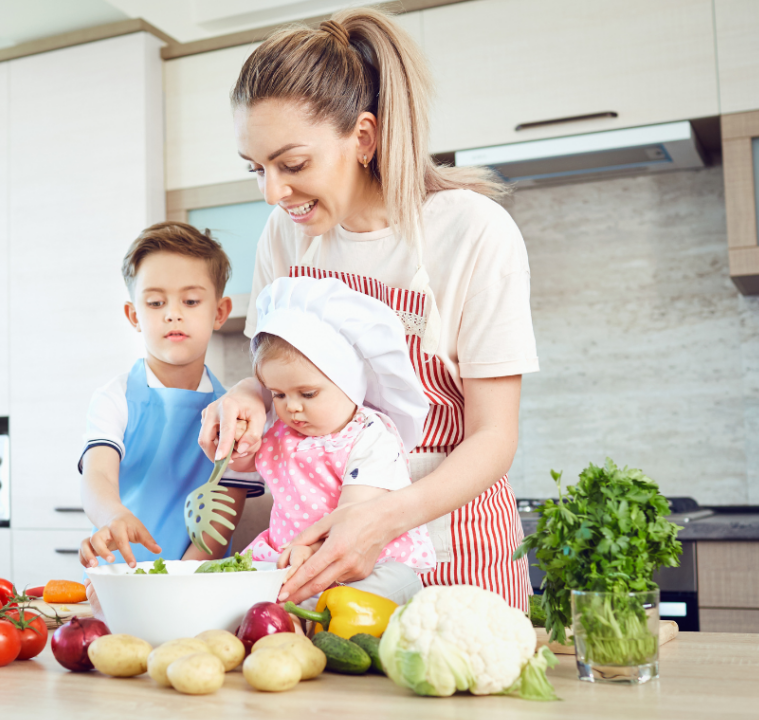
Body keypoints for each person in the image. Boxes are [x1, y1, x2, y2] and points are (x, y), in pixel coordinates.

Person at [199, 8, 538, 611]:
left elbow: (494, 437)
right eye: (257, 169)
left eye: (293, 165)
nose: (274, 193)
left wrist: (383, 519)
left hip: (452, 549)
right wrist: (248, 395)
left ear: (363, 136)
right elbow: (273, 367)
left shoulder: (471, 232)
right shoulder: (285, 235)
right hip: (319, 556)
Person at [231, 276, 435, 606]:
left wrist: (314, 553)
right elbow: (244, 464)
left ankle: (299, 616)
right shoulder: (281, 433)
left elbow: (356, 511)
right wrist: (237, 444)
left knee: (390, 584)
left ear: (349, 383)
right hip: (289, 559)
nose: (291, 406)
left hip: (365, 562)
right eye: (278, 394)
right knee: (240, 591)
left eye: (307, 393)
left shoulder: (370, 436)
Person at [78, 222, 264, 571]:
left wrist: (178, 580)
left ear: (220, 312)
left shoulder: (236, 416)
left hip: (195, 580)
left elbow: (221, 521)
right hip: (118, 577)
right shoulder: (114, 398)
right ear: (134, 315)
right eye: (155, 302)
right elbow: (97, 477)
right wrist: (113, 514)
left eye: (191, 300)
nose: (172, 313)